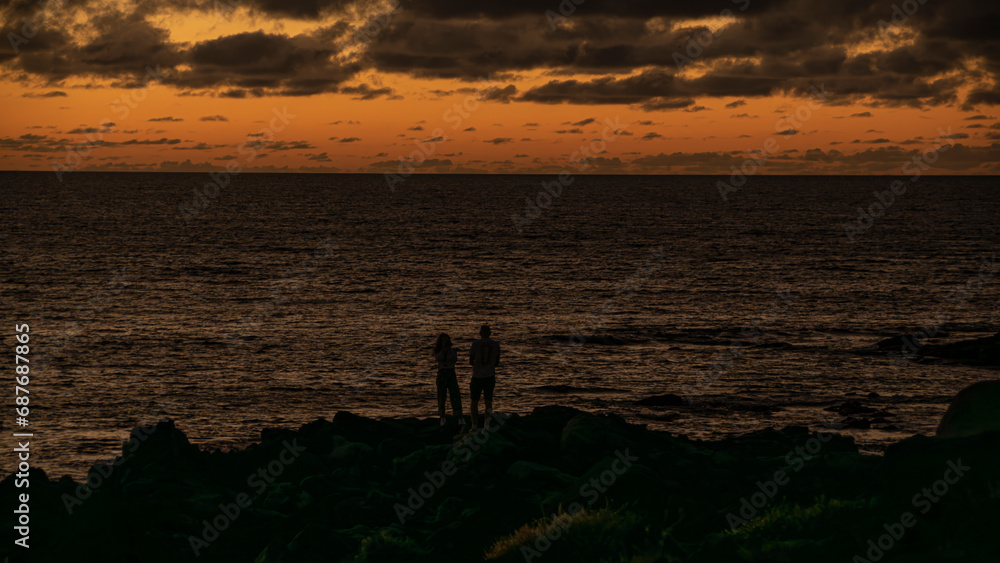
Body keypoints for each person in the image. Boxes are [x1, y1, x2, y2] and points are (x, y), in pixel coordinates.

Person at [469, 324, 501, 430]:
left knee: (474, 402)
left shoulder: (475, 344)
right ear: (490, 333)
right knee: (488, 402)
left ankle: (474, 425)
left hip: (477, 376)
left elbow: (470, 360)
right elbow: (497, 362)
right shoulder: (496, 344)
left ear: (480, 333)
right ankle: (486, 426)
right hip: (489, 376)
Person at [433, 333, 464, 426]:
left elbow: (454, 359)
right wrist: (443, 350)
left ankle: (459, 416)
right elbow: (439, 358)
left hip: (451, 372)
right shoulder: (438, 351)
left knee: (455, 395)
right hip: (442, 373)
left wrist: (448, 350)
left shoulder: (452, 351)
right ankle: (442, 416)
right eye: (443, 340)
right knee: (441, 396)